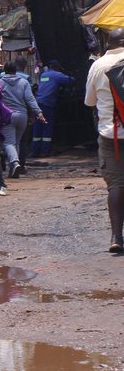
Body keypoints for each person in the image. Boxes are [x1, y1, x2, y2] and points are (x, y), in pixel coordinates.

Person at [83, 28, 124, 253]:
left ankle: (116, 236)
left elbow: (89, 102)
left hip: (112, 135)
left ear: (109, 42)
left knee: (117, 185)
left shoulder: (98, 65)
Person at [0, 58, 42, 177]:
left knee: (8, 143)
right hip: (22, 116)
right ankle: (14, 169)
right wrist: (38, 112)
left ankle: (14, 162)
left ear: (5, 70)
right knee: (16, 143)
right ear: (16, 70)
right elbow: (30, 99)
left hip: (7, 116)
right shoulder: (24, 82)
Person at [34, 60, 74, 157]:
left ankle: (35, 151)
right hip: (48, 104)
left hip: (37, 104)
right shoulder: (57, 75)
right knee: (47, 127)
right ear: (58, 68)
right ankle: (45, 151)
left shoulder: (43, 75)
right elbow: (72, 80)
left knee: (37, 128)